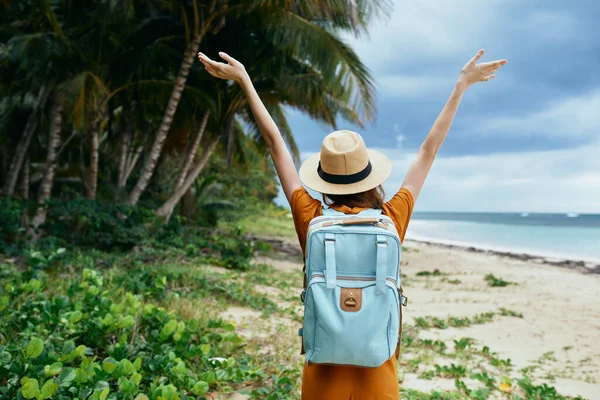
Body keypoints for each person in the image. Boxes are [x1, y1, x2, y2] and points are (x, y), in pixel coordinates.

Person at [198, 49, 507, 399]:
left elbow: (275, 145)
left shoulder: (311, 218)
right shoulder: (391, 219)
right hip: (379, 374)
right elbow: (427, 152)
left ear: (323, 179)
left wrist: (245, 82)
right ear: (372, 178)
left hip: (323, 378)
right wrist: (461, 86)